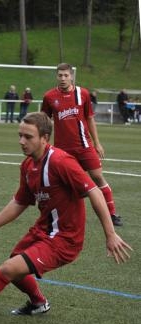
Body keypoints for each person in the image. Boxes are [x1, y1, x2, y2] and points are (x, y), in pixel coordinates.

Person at [0, 112, 132, 321]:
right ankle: (38, 303)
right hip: (43, 230)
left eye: (28, 137)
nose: (21, 141)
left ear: (45, 138)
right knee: (15, 264)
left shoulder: (61, 161)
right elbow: (19, 202)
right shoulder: (27, 166)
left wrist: (110, 234)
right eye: (20, 135)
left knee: (8, 269)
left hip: (64, 239)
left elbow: (95, 191)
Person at [42, 63, 123, 226]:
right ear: (56, 77)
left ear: (71, 76)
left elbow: (90, 119)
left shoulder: (83, 94)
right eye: (60, 75)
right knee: (62, 184)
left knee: (98, 177)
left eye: (66, 75)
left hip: (85, 146)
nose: (63, 78)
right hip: (63, 150)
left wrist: (97, 143)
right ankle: (61, 216)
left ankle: (112, 214)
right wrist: (44, 143)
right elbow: (44, 121)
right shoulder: (49, 97)